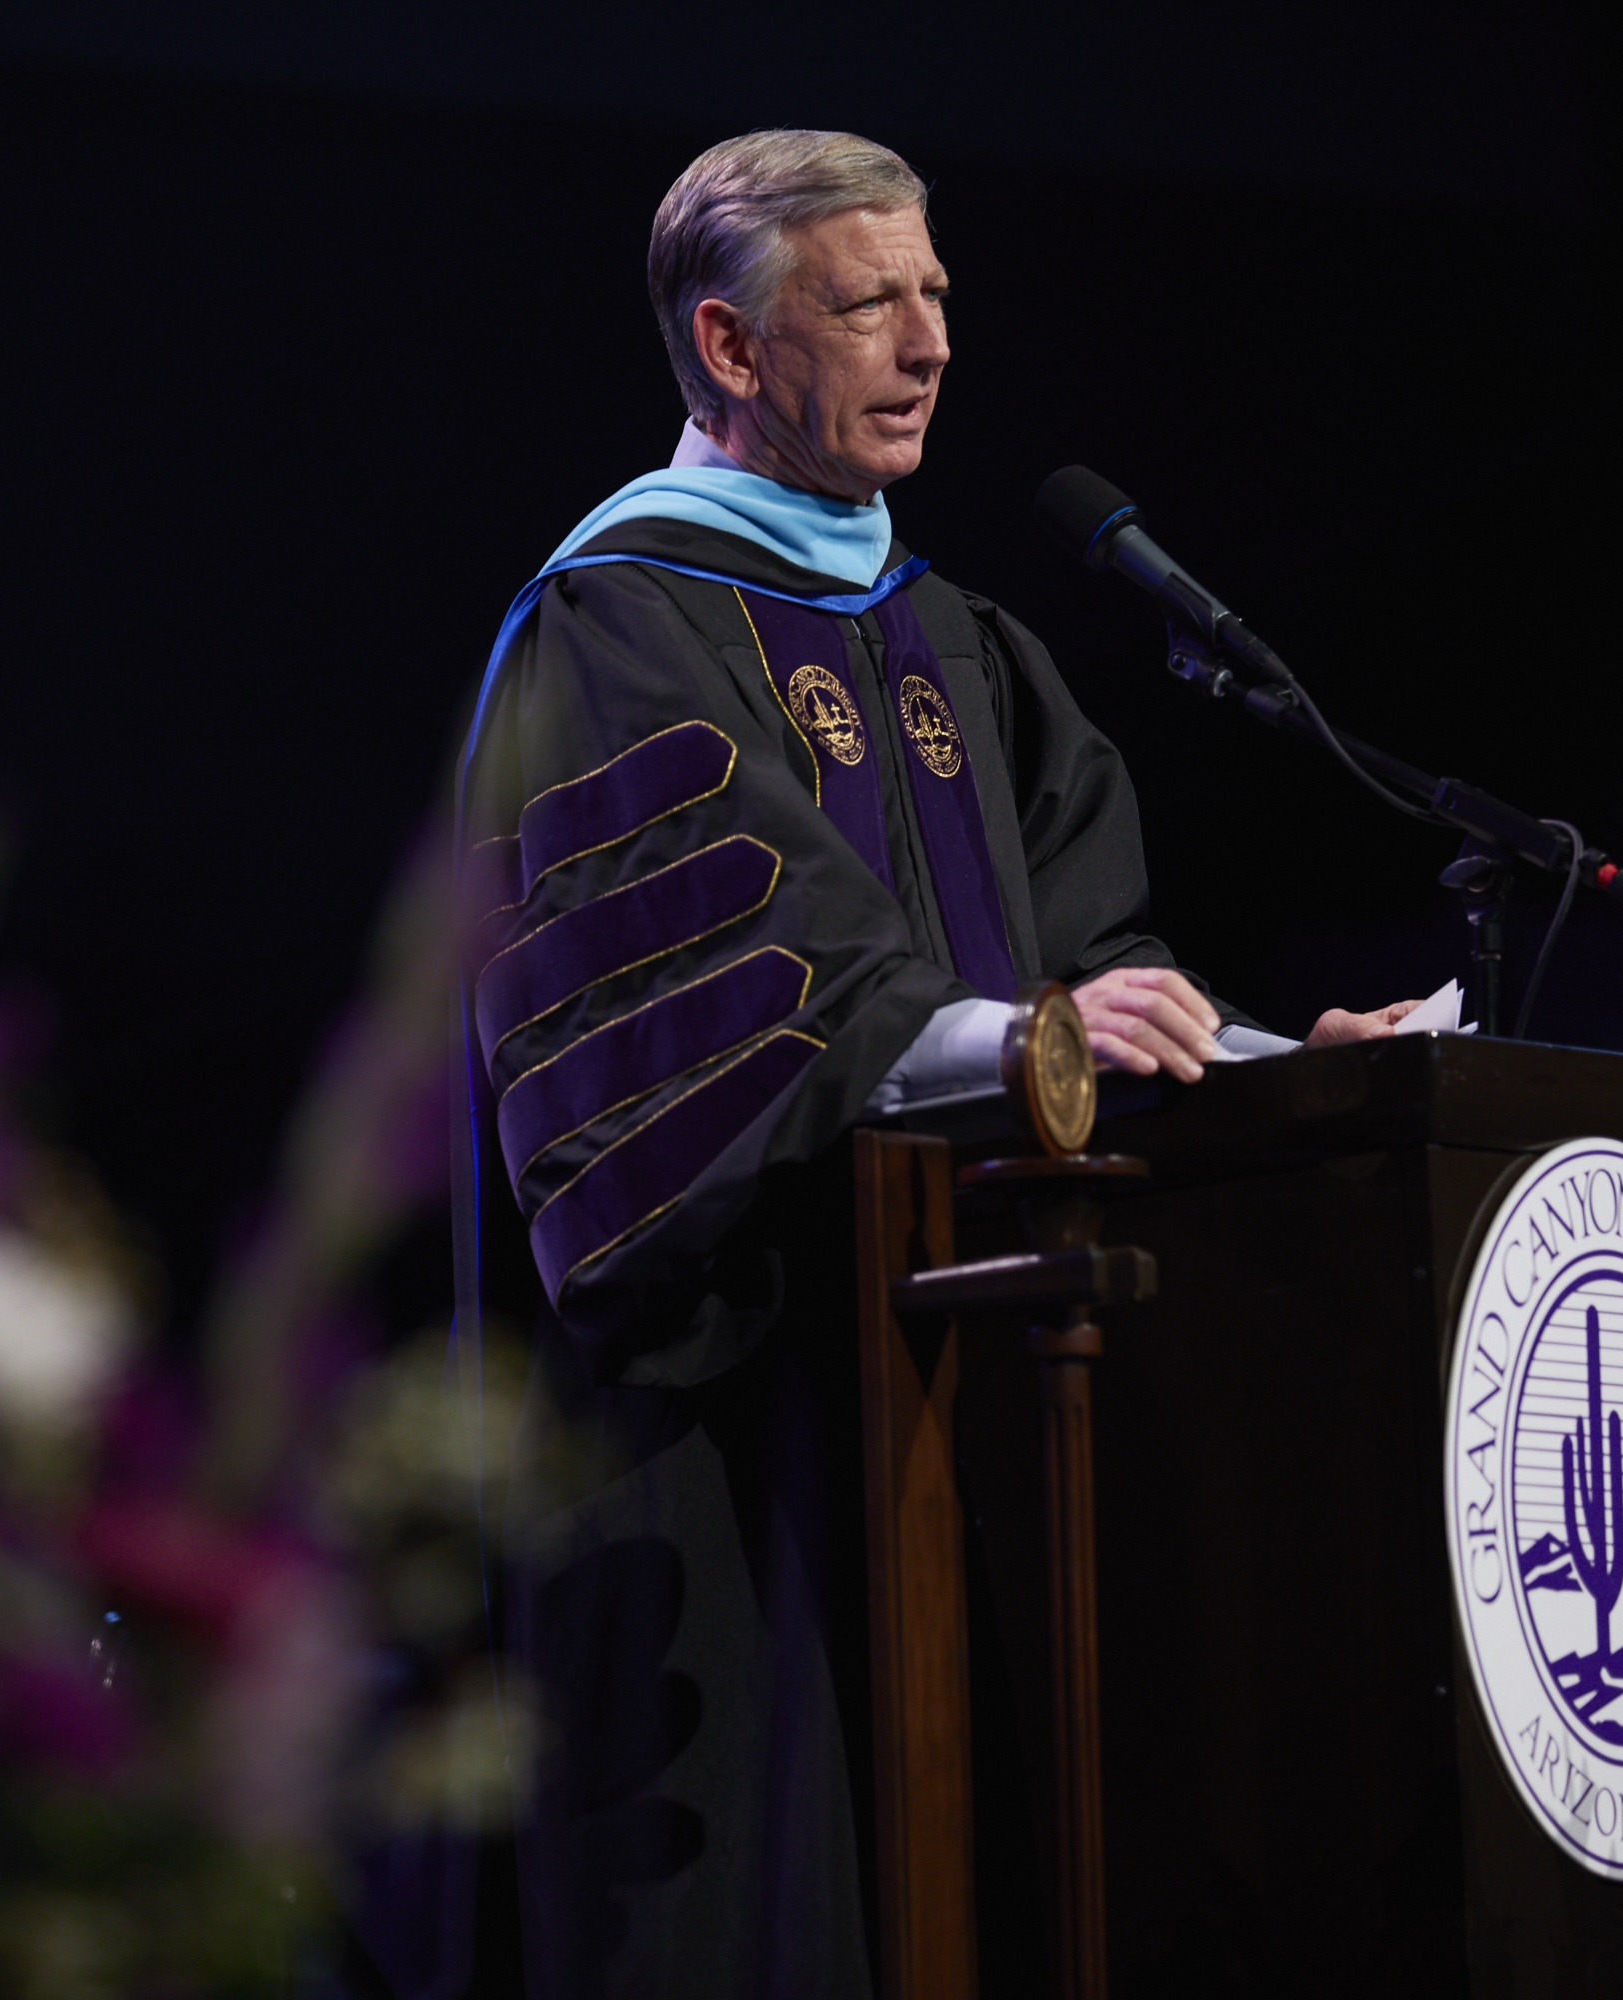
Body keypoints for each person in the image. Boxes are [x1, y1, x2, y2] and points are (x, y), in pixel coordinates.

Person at [452, 130, 1419, 1995]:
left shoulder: (954, 641)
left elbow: (1096, 962)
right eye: (867, 300)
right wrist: (1011, 1041)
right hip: (744, 1427)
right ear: (729, 349)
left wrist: (1285, 1059)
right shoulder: (616, 621)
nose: (930, 341)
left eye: (939, 295)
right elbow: (697, 985)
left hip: (997, 1396)